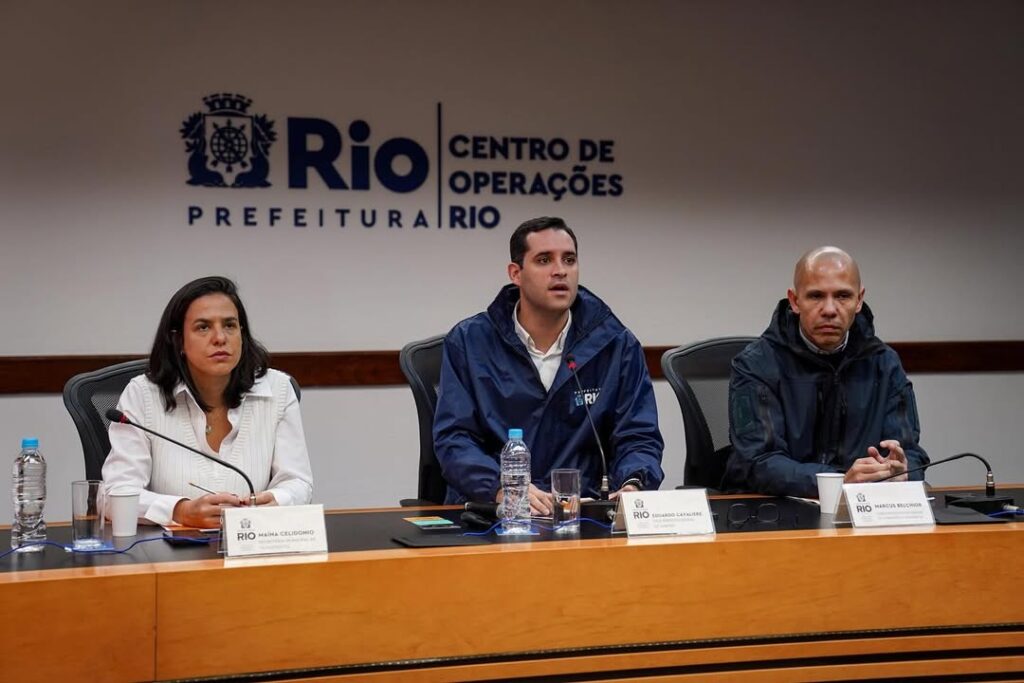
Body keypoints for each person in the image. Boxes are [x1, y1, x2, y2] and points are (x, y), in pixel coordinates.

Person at [433, 216, 664, 513]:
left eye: (569, 260)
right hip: (496, 513)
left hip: (585, 513)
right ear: (516, 273)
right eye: (544, 260)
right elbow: (454, 440)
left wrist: (633, 484)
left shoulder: (615, 344)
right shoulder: (469, 342)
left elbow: (638, 435)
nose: (560, 271)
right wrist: (503, 487)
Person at [103, 276, 313, 527]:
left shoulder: (277, 389)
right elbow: (113, 496)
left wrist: (279, 500)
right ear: (179, 340)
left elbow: (298, 483)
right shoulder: (143, 395)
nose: (220, 338)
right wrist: (179, 511)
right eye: (203, 327)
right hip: (168, 556)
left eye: (230, 325)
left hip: (253, 546)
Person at [725, 246, 929, 497]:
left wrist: (902, 471)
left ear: (859, 300)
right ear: (794, 301)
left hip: (868, 509)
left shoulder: (884, 363)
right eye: (816, 296)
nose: (830, 309)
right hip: (781, 509)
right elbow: (757, 462)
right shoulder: (756, 365)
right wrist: (839, 482)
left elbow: (911, 451)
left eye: (843, 296)